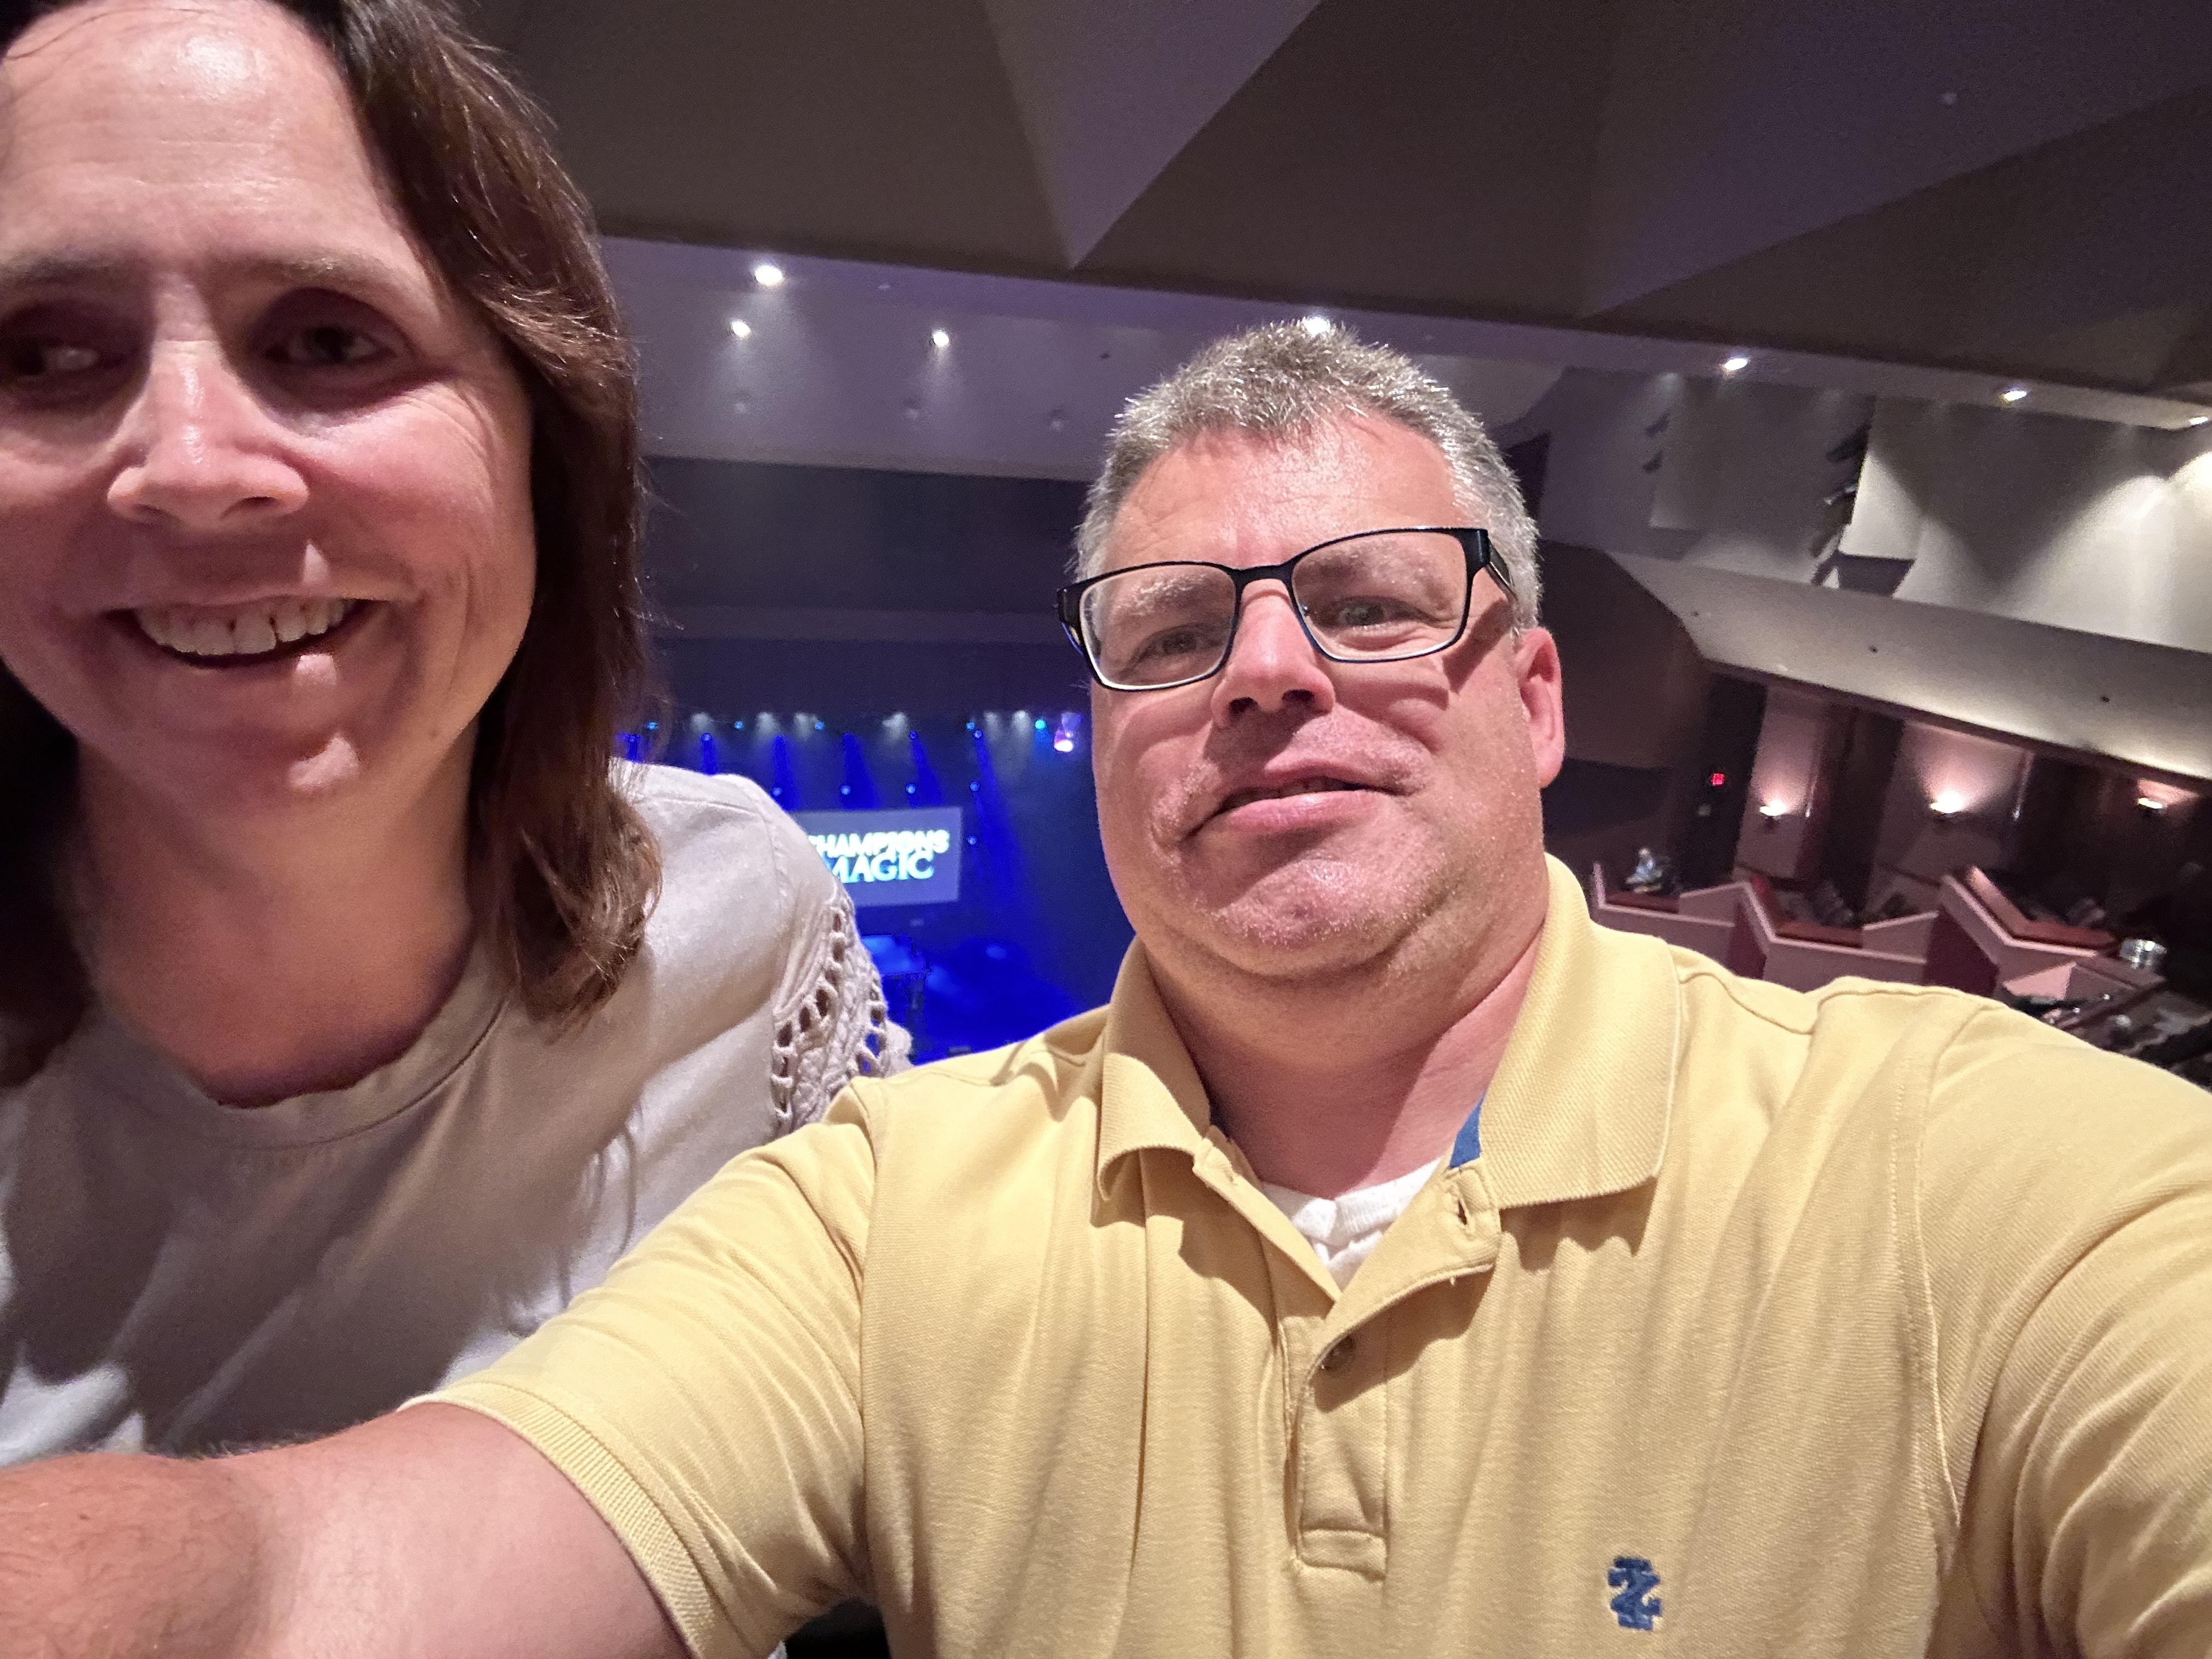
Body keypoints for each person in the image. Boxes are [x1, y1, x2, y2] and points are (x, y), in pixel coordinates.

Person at [4, 331, 2211, 1657]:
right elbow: (323, 1578)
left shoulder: (1965, 1166)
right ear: (1104, 734)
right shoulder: (889, 1211)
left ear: (1537, 698)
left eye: (1371, 604)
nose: (1265, 672)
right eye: (1172, 632)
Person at [0, 0, 894, 1463]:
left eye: (327, 339)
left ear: (549, 438)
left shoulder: (740, 929)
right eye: (43, 357)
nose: (191, 467)